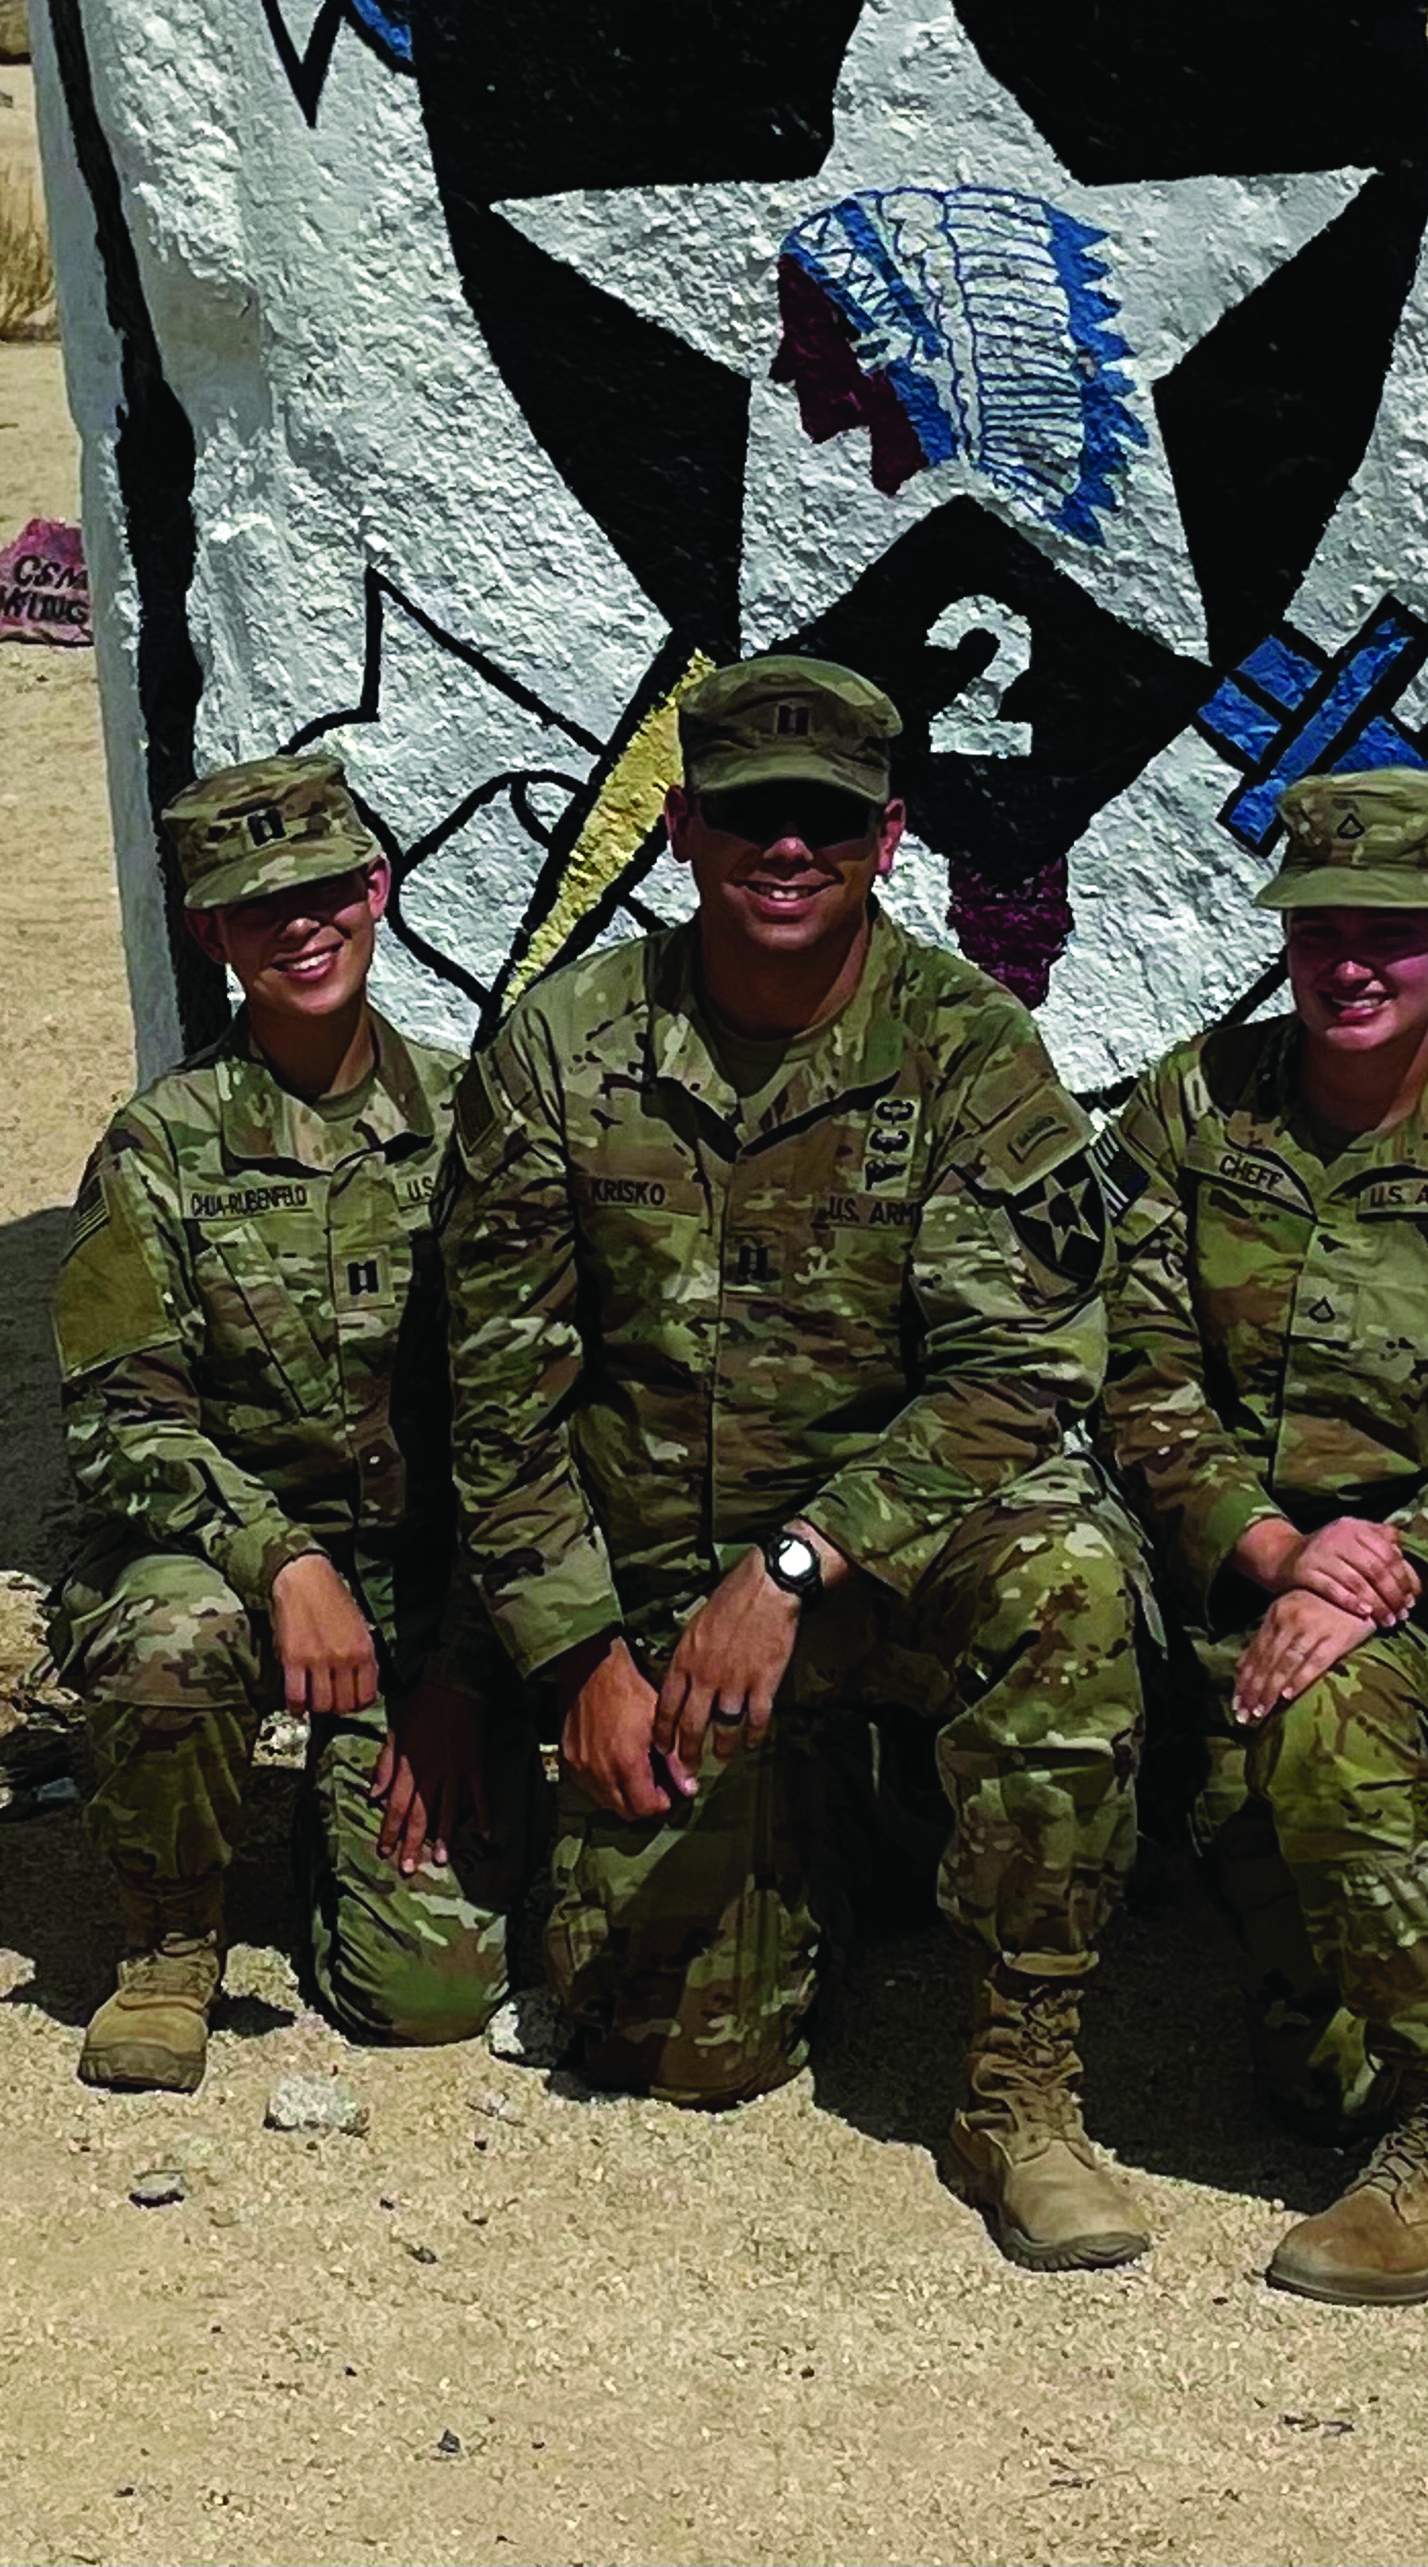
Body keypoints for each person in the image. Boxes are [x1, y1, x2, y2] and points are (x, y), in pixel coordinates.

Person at [431, 656, 1148, 2265]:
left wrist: (799, 1564)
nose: (784, 850)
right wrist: (575, 1663)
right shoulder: (565, 1046)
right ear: (682, 825)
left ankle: (1020, 2085)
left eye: (823, 822)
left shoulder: (966, 1047)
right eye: (749, 815)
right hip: (655, 1597)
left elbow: (1016, 1371)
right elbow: (498, 1395)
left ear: (885, 841)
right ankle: (834, 1822)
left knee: (1066, 1575)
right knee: (676, 2053)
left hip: (867, 1571)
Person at [1098, 769, 1428, 2304]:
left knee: (1327, 1709)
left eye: (1395, 933)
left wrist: (1379, 1570)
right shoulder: (1196, 1107)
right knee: (1308, 2078)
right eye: (1322, 932)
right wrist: (1266, 1548)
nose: (1353, 966)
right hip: (1228, 1588)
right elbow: (1137, 1367)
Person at [48, 754, 525, 2092]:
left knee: (428, 1995)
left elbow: (531, 1421)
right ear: (209, 933)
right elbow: (122, 1422)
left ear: (378, 890)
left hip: (430, 1594)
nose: (298, 928)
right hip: (241, 1572)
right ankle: (171, 1937)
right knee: (166, 1633)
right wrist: (282, 1560)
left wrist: (460, 1675)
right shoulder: (161, 1147)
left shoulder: (480, 1121)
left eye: (322, 892)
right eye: (256, 910)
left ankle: (345, 1821)